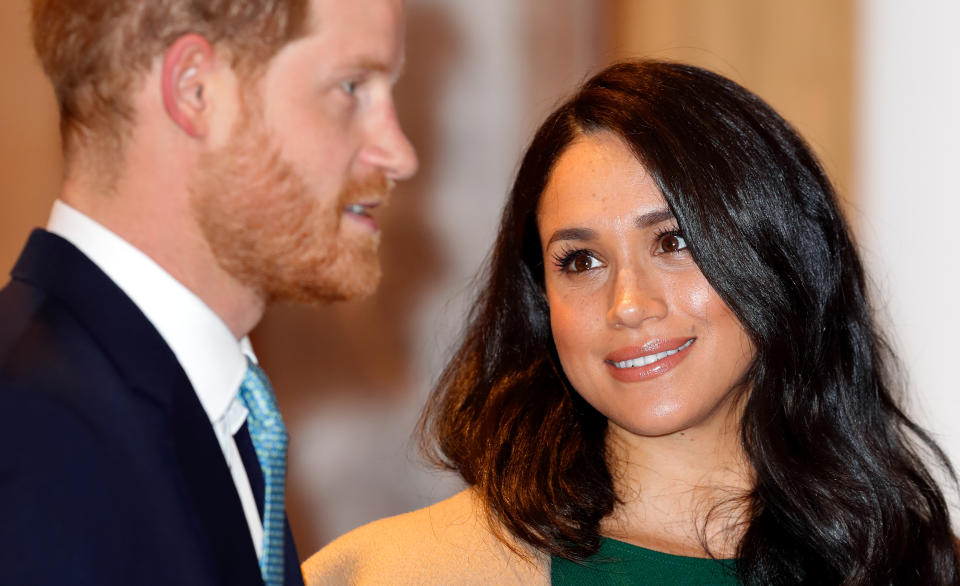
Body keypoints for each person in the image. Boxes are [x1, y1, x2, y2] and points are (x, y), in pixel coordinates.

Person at [302, 60, 960, 585]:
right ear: (540, 301)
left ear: (781, 258)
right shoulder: (394, 573)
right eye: (581, 260)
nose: (627, 304)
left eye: (673, 243)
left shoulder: (921, 566)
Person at [0, 0, 416, 584]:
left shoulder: (207, 399)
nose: (400, 154)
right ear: (196, 91)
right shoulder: (35, 438)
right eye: (352, 87)